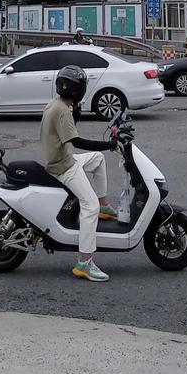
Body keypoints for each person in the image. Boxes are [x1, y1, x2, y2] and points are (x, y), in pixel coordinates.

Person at [40, 65, 116, 282]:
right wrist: (109, 145)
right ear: (79, 89)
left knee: (97, 160)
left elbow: (68, 132)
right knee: (88, 206)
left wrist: (77, 112)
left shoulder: (58, 104)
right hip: (63, 167)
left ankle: (103, 204)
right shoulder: (62, 110)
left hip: (63, 158)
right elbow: (77, 141)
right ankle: (85, 262)